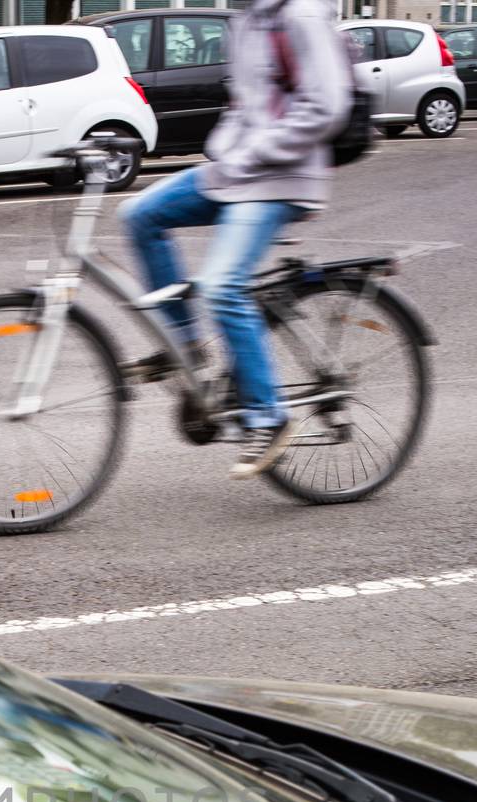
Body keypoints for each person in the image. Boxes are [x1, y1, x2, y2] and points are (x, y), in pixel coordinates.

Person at [119, 0, 352, 479]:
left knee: (222, 286)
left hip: (283, 177)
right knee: (139, 215)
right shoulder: (246, 20)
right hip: (236, 171)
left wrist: (252, 155)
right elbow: (246, 105)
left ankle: (268, 417)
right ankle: (186, 346)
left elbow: (327, 106)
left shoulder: (301, 15)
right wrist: (227, 151)